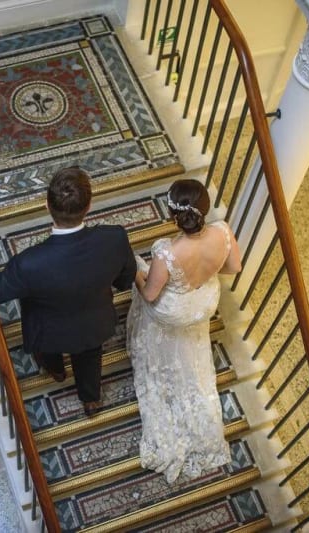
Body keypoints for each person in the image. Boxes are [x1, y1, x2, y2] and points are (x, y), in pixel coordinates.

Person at [0, 167, 137, 417]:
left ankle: (57, 370)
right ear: (89, 205)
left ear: (47, 206)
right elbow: (126, 280)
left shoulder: (29, 263)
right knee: (90, 358)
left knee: (50, 353)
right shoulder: (114, 238)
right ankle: (91, 400)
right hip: (95, 325)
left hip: (48, 333)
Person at [126, 179, 242, 483]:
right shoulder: (224, 231)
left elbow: (150, 295)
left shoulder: (166, 252)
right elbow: (233, 268)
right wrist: (204, 275)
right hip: (203, 303)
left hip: (174, 313)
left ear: (173, 214)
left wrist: (136, 273)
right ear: (205, 208)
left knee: (137, 274)